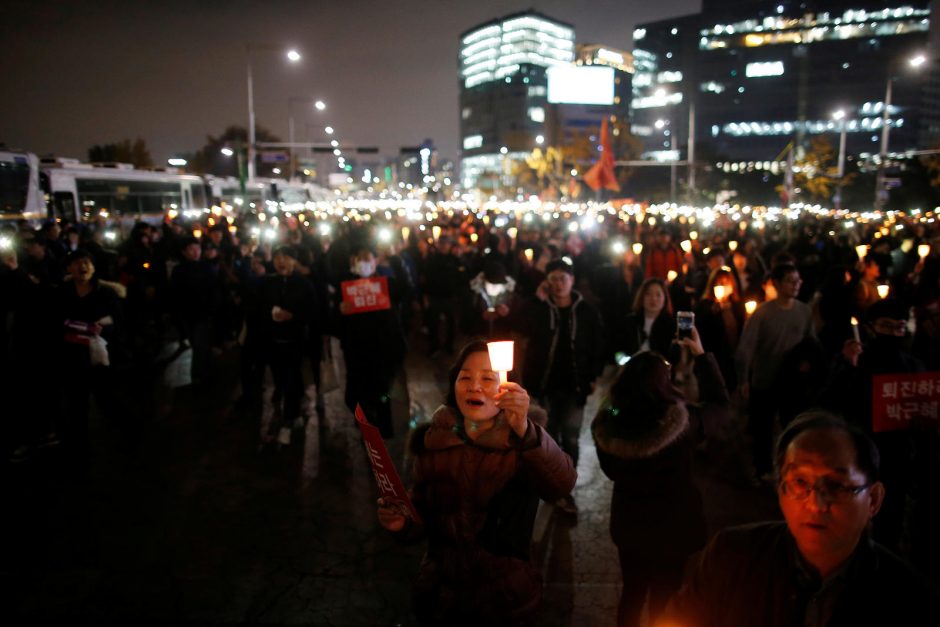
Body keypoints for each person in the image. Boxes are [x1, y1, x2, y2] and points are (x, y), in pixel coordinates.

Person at [660, 412, 937, 627]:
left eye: (837, 485)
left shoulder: (909, 599)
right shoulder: (730, 558)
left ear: (873, 499)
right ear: (781, 491)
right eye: (799, 482)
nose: (816, 504)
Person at [377, 341, 577, 626]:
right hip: (441, 597)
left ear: (509, 389)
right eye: (465, 377)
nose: (474, 386)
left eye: (487, 378)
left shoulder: (524, 443)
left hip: (505, 598)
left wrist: (526, 431)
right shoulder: (434, 442)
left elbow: (562, 484)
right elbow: (423, 515)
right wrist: (402, 524)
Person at [592, 326, 728, 627]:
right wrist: (701, 354)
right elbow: (719, 405)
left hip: (630, 528)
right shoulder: (683, 425)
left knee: (632, 592)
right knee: (664, 598)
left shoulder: (608, 428)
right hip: (672, 529)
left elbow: (609, 467)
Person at [522, 258, 605, 512]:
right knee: (548, 436)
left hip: (575, 386)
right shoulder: (540, 308)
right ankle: (549, 483)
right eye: (553, 279)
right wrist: (537, 300)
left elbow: (598, 345)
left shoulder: (586, 311)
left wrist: (593, 376)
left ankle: (566, 487)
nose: (558, 284)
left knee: (570, 436)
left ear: (572, 280)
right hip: (545, 384)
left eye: (563, 279)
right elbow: (524, 328)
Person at [736, 263, 815, 481]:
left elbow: (811, 344)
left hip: (792, 381)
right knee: (763, 427)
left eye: (798, 280)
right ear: (777, 284)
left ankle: (791, 465)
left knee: (792, 425)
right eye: (791, 280)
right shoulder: (763, 314)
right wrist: (744, 378)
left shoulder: (804, 311)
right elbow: (746, 348)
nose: (796, 285)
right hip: (765, 379)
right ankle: (762, 468)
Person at [615, 277, 676, 359]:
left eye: (658, 295)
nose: (653, 299)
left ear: (665, 299)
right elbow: (617, 350)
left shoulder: (671, 325)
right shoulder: (630, 321)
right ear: (641, 297)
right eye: (648, 294)